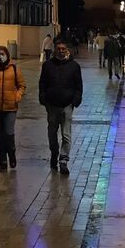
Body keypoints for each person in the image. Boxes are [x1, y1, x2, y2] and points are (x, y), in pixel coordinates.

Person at [38, 38, 83, 175]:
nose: (61, 51)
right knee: (52, 132)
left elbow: (78, 86)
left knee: (66, 134)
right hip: (52, 105)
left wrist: (75, 100)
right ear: (55, 50)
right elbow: (42, 83)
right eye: (59, 49)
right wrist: (43, 98)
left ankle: (63, 160)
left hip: (67, 105)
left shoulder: (74, 66)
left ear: (67, 50)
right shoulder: (48, 65)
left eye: (64, 49)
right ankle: (54, 152)